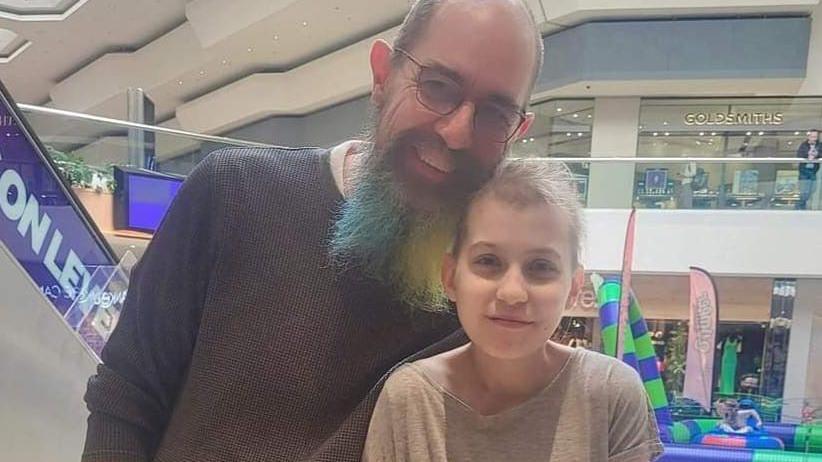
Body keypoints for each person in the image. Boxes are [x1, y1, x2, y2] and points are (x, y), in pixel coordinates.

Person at [81, 1, 544, 461]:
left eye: (495, 115)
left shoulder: (489, 305)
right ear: (382, 75)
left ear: (518, 130)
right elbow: (125, 398)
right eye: (438, 87)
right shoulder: (234, 192)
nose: (458, 132)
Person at [362, 160, 664, 462]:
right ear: (451, 277)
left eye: (540, 267)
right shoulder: (410, 399)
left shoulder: (610, 393)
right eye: (489, 261)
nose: (512, 293)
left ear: (573, 288)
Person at [796, 129, 821, 209]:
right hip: (804, 171)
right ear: (808, 136)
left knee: (812, 189)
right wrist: (807, 155)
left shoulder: (820, 145)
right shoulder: (803, 145)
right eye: (812, 136)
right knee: (804, 191)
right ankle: (799, 207)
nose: (814, 138)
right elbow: (799, 154)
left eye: (815, 137)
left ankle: (802, 207)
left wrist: (816, 155)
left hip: (813, 171)